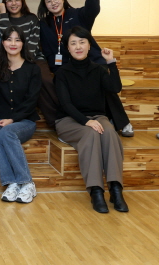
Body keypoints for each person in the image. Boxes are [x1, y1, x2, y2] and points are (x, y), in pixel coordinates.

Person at [37, 0, 133, 137]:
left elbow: (93, 8)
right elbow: (47, 49)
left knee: (103, 83)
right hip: (67, 67)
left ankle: (122, 122)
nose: (53, 3)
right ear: (45, 6)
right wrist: (56, 69)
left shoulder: (77, 14)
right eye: (48, 1)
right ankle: (82, 121)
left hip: (92, 61)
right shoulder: (45, 24)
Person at [54, 26, 129, 214]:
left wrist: (111, 62)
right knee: (91, 134)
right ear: (68, 48)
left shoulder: (99, 70)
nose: (78, 47)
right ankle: (96, 191)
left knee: (110, 132)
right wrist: (85, 121)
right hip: (69, 120)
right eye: (73, 43)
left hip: (97, 117)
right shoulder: (62, 73)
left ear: (89, 46)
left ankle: (116, 189)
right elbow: (65, 104)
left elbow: (115, 88)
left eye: (82, 42)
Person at [0, 26, 41, 204]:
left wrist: (13, 119)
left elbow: (32, 101)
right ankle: (12, 183)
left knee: (7, 132)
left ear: (23, 43)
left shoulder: (32, 68)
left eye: (17, 40)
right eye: (9, 39)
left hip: (25, 119)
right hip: (1, 115)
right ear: (3, 42)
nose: (13, 43)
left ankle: (27, 182)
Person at [0, 0, 58, 126]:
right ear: (5, 3)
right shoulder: (2, 20)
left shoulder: (32, 19)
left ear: (22, 1)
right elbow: (5, 41)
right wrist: (3, 14)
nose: (13, 3)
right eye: (9, 0)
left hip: (34, 59)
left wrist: (23, 63)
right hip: (10, 61)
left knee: (45, 81)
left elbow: (33, 45)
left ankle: (58, 119)